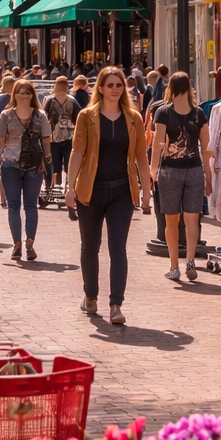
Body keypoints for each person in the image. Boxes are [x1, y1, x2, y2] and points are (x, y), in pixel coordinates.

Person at [65, 66, 152, 325]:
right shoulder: (86, 116)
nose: (115, 89)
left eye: (118, 85)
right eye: (110, 85)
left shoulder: (133, 118)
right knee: (90, 247)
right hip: (90, 189)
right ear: (100, 88)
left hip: (122, 191)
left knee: (118, 249)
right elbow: (77, 153)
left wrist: (147, 192)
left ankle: (116, 304)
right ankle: (90, 296)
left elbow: (140, 158)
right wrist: (70, 187)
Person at [149, 71, 211, 283]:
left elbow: (157, 145)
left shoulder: (163, 112)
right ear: (189, 88)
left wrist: (152, 170)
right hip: (194, 169)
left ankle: (174, 265)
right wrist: (209, 176)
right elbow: (206, 148)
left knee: (171, 220)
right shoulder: (199, 114)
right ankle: (191, 261)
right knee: (193, 219)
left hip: (170, 170)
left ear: (171, 88)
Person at [0, 79, 52, 261]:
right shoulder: (6, 115)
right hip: (10, 164)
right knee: (14, 206)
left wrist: (48, 159)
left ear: (32, 94)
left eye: (27, 92)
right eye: (20, 92)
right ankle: (17, 244)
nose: (24, 95)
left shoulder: (40, 115)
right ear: (14, 94)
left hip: (34, 165)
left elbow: (46, 139)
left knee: (31, 205)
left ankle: (30, 243)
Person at [44, 77, 79, 217]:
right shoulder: (72, 100)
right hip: (70, 136)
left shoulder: (49, 100)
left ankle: (54, 188)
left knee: (55, 165)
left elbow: (44, 118)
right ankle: (69, 188)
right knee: (69, 164)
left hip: (53, 137)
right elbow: (77, 118)